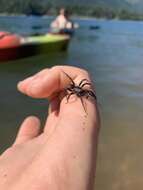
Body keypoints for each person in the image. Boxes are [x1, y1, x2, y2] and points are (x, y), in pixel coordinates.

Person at [0, 66, 100, 190]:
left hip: (79, 91)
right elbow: (75, 90)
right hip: (77, 91)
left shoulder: (79, 90)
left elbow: (83, 89)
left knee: (83, 87)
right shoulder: (73, 91)